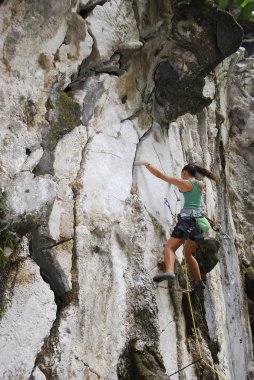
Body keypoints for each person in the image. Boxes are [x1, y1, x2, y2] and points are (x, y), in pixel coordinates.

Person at [139, 162, 217, 292]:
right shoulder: (200, 184)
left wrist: (147, 165)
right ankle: (199, 283)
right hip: (198, 223)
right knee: (188, 254)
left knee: (169, 248)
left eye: (182, 173)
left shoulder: (184, 183)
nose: (181, 176)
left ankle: (169, 271)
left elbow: (160, 175)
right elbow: (194, 204)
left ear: (185, 172)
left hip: (186, 222)